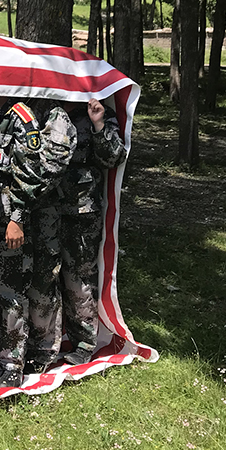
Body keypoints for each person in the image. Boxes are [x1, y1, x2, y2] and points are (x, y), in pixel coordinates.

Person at [0, 97, 75, 387]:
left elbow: (32, 172)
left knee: (12, 290)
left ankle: (14, 361)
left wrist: (17, 217)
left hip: (9, 216)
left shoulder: (21, 116)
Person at [57, 98, 126, 366]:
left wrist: (98, 125)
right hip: (43, 206)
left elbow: (114, 157)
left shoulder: (97, 113)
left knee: (79, 277)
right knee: (43, 277)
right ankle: (44, 343)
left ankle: (84, 343)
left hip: (81, 210)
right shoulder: (41, 106)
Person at [22, 99, 77, 374]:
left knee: (43, 278)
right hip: (12, 210)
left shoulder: (54, 115)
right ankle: (9, 342)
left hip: (41, 211)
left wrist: (19, 192)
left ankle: (43, 348)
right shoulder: (15, 107)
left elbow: (52, 168)